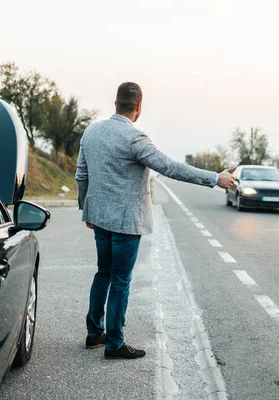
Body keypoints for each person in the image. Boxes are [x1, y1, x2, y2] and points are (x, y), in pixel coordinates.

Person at [75, 82, 236, 359]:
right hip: (126, 224)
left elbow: (81, 175)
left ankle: (94, 334)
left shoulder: (91, 132)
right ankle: (113, 344)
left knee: (103, 273)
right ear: (138, 107)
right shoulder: (135, 138)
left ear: (115, 104)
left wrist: (86, 210)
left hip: (99, 219)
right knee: (121, 280)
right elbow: (170, 168)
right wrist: (215, 178)